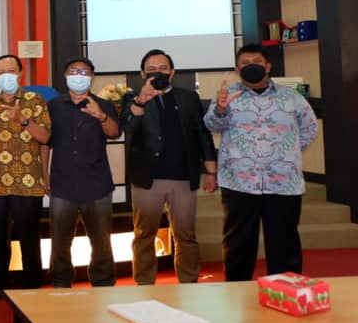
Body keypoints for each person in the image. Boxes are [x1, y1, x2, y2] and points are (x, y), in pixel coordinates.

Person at [204, 43, 317, 281]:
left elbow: (309, 129)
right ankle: (236, 292)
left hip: (283, 183)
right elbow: (212, 126)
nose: (251, 66)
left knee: (284, 244)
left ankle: (284, 291)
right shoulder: (227, 96)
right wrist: (221, 110)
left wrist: (285, 153)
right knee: (238, 245)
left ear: (268, 66)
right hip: (239, 183)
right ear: (237, 69)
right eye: (245, 63)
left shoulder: (292, 97)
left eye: (257, 62)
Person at [121, 49, 217, 285]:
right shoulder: (132, 98)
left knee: (186, 235)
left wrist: (211, 171)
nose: (158, 73)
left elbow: (202, 134)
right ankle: (144, 284)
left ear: (172, 72)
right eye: (152, 70)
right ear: (142, 74)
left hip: (183, 176)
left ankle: (188, 282)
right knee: (144, 234)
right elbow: (128, 128)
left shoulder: (188, 97)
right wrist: (141, 101)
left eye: (163, 69)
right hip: (146, 178)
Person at [44, 56, 119, 288]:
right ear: (66, 76)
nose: (79, 76)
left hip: (97, 185)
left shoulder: (103, 104)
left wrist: (101, 116)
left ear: (92, 77)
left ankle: (103, 284)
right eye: (74, 71)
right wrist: (44, 174)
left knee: (101, 242)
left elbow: (114, 132)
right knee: (60, 242)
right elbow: (45, 142)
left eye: (84, 72)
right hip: (62, 184)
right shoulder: (53, 106)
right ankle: (61, 284)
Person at [0, 54, 51, 302]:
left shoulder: (35, 100)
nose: (7, 76)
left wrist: (24, 120)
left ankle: (32, 283)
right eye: (1, 72)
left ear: (21, 73)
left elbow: (45, 138)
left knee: (28, 235)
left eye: (11, 70)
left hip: (28, 181)